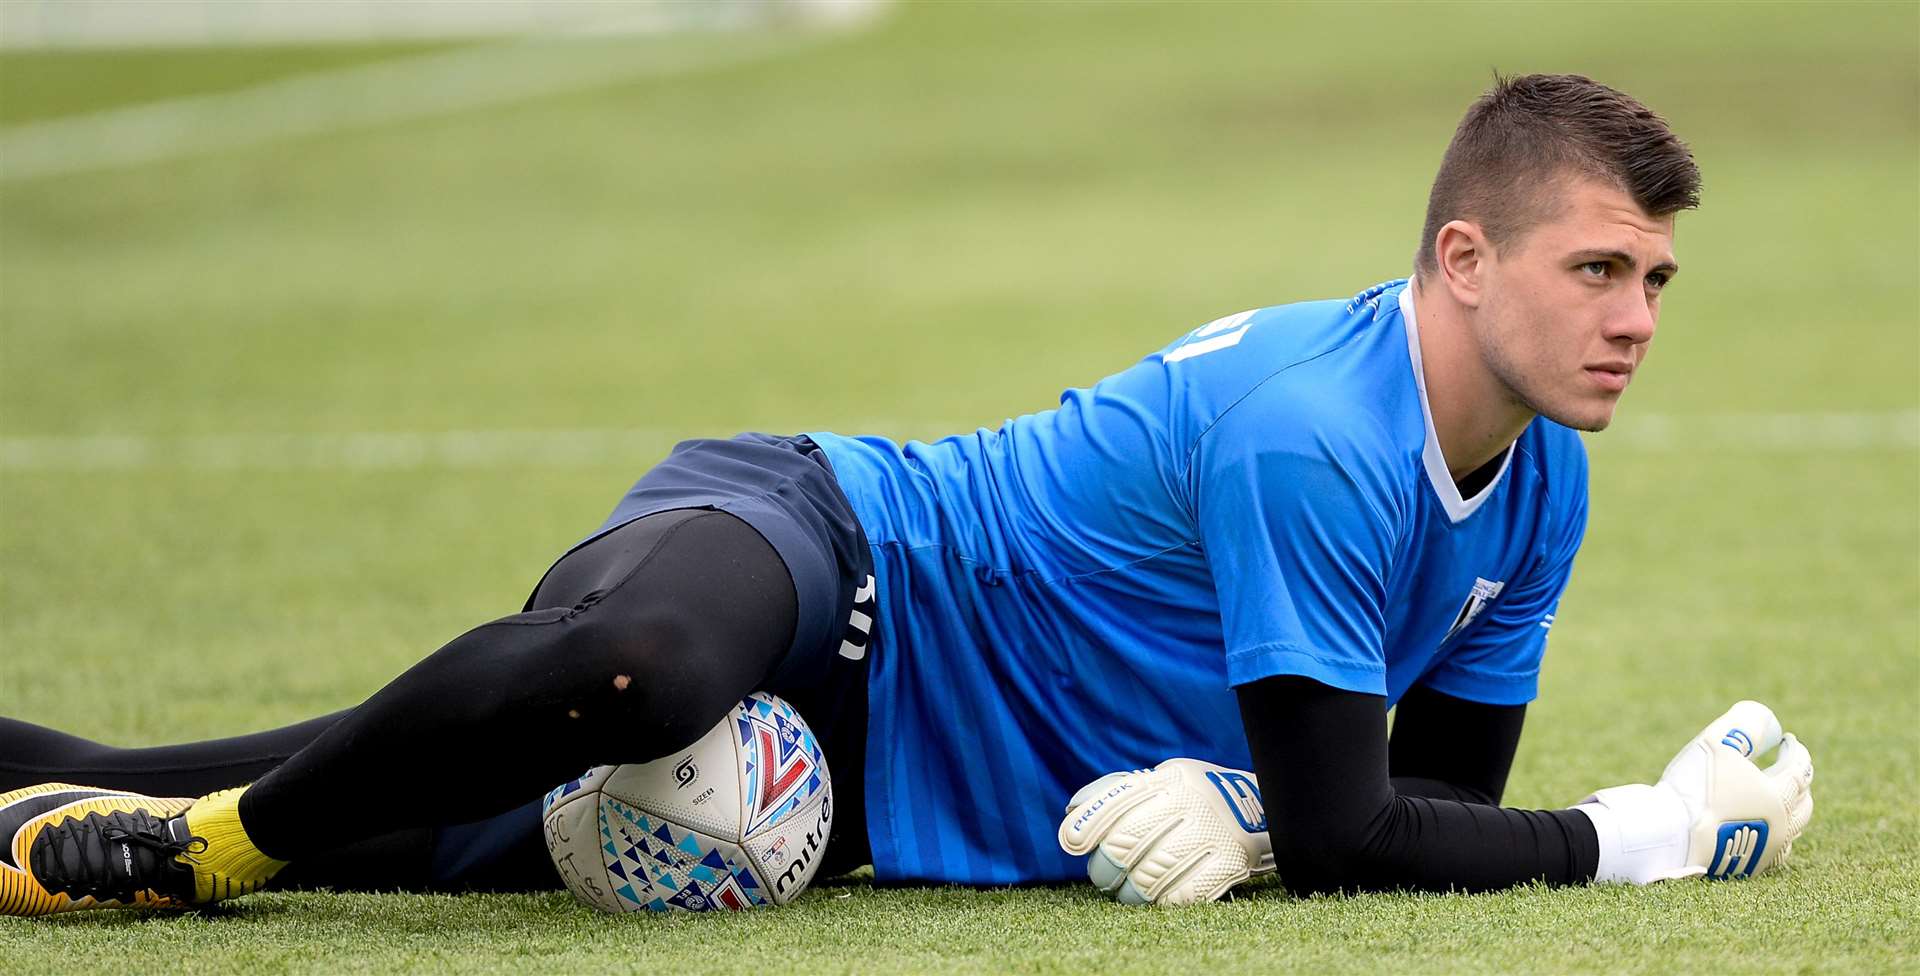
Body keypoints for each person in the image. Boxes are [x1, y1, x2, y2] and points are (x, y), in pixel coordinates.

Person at [0, 73, 1814, 917]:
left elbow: (1415, 806)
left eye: (1657, 281)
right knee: (640, 666)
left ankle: (102, 790)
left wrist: (1242, 815)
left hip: (862, 796)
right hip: (843, 545)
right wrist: (1646, 829)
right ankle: (202, 869)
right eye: (1600, 272)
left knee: (364, 794)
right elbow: (1361, 837)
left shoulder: (1542, 490)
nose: (1636, 318)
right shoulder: (1313, 427)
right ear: (1463, 253)